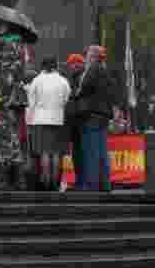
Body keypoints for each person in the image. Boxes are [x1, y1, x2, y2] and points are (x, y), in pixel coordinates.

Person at [67, 46, 117, 191]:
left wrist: (74, 94)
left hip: (91, 115)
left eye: (87, 54)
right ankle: (104, 184)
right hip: (103, 116)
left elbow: (83, 88)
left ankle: (91, 184)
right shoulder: (106, 71)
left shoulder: (93, 69)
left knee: (91, 151)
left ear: (93, 56)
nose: (86, 56)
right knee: (102, 151)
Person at [0, 33, 28, 189]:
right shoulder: (18, 56)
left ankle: (3, 179)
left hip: (5, 104)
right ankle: (19, 179)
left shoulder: (6, 60)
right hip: (14, 103)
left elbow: (5, 83)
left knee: (4, 139)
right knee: (14, 140)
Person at [26, 57, 72, 192]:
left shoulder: (37, 80)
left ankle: (46, 182)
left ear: (42, 67)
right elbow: (66, 99)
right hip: (58, 119)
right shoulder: (63, 81)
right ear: (56, 66)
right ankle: (55, 183)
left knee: (44, 152)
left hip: (40, 120)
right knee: (57, 152)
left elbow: (31, 102)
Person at [63, 53, 87, 190]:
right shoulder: (74, 78)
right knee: (78, 152)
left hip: (79, 121)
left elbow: (75, 97)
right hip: (76, 121)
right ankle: (80, 180)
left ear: (78, 64)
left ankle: (81, 181)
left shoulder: (81, 78)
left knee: (80, 153)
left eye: (72, 64)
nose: (70, 67)